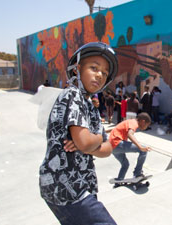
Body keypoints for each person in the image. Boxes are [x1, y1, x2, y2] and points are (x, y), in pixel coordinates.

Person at [38, 42, 118, 224]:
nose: (100, 75)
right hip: (68, 189)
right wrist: (95, 139)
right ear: (77, 69)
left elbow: (107, 149)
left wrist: (90, 146)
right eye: (94, 68)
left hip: (82, 186)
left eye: (105, 73)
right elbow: (86, 142)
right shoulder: (72, 95)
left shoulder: (91, 107)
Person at [110, 112, 152, 188]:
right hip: (117, 143)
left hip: (112, 147)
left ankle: (119, 181)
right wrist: (140, 147)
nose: (146, 127)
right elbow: (130, 134)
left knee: (125, 164)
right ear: (143, 121)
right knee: (143, 150)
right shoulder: (134, 122)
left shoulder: (129, 122)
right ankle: (137, 173)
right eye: (147, 125)